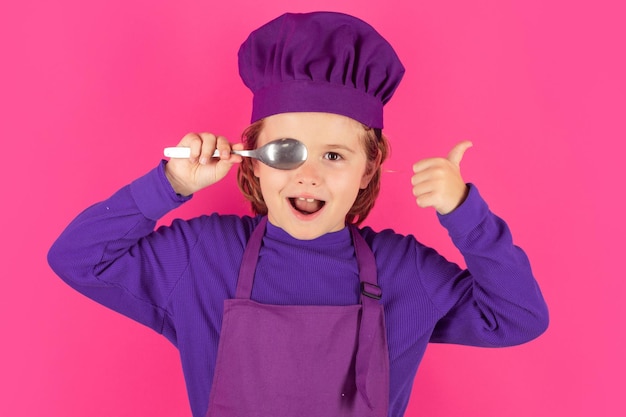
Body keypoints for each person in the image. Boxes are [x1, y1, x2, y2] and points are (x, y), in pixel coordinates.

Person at [48, 11, 549, 417]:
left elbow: (519, 318)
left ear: (369, 167)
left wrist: (465, 213)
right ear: (253, 157)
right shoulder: (201, 258)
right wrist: (171, 184)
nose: (308, 175)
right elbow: (77, 258)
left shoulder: (406, 271)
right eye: (287, 150)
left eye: (334, 156)